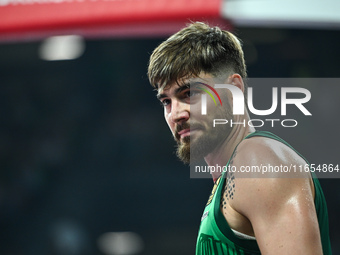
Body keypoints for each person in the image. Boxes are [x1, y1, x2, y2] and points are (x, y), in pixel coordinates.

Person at [147, 22, 332, 255]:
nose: (176, 113)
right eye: (166, 101)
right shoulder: (233, 174)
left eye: (190, 93)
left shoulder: (258, 162)